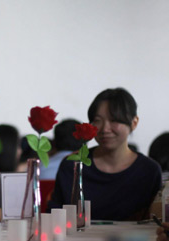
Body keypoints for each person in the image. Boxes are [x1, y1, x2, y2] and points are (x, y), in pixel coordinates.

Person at [48, 88, 162, 221]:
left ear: (134, 122)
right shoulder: (72, 165)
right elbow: (54, 217)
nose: (105, 129)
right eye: (97, 120)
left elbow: (155, 222)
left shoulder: (149, 171)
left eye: (114, 120)